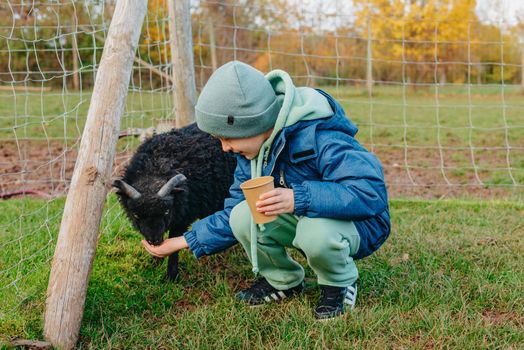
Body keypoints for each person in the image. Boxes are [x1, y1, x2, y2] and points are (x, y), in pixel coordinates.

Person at [141, 61, 390, 320]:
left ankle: (339, 284)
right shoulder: (252, 153)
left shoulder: (321, 136)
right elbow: (231, 215)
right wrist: (183, 241)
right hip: (306, 216)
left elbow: (369, 192)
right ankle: (283, 280)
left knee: (315, 231)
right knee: (243, 214)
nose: (224, 148)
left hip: (360, 224)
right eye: (219, 140)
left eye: (228, 138)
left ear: (253, 124)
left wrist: (298, 198)